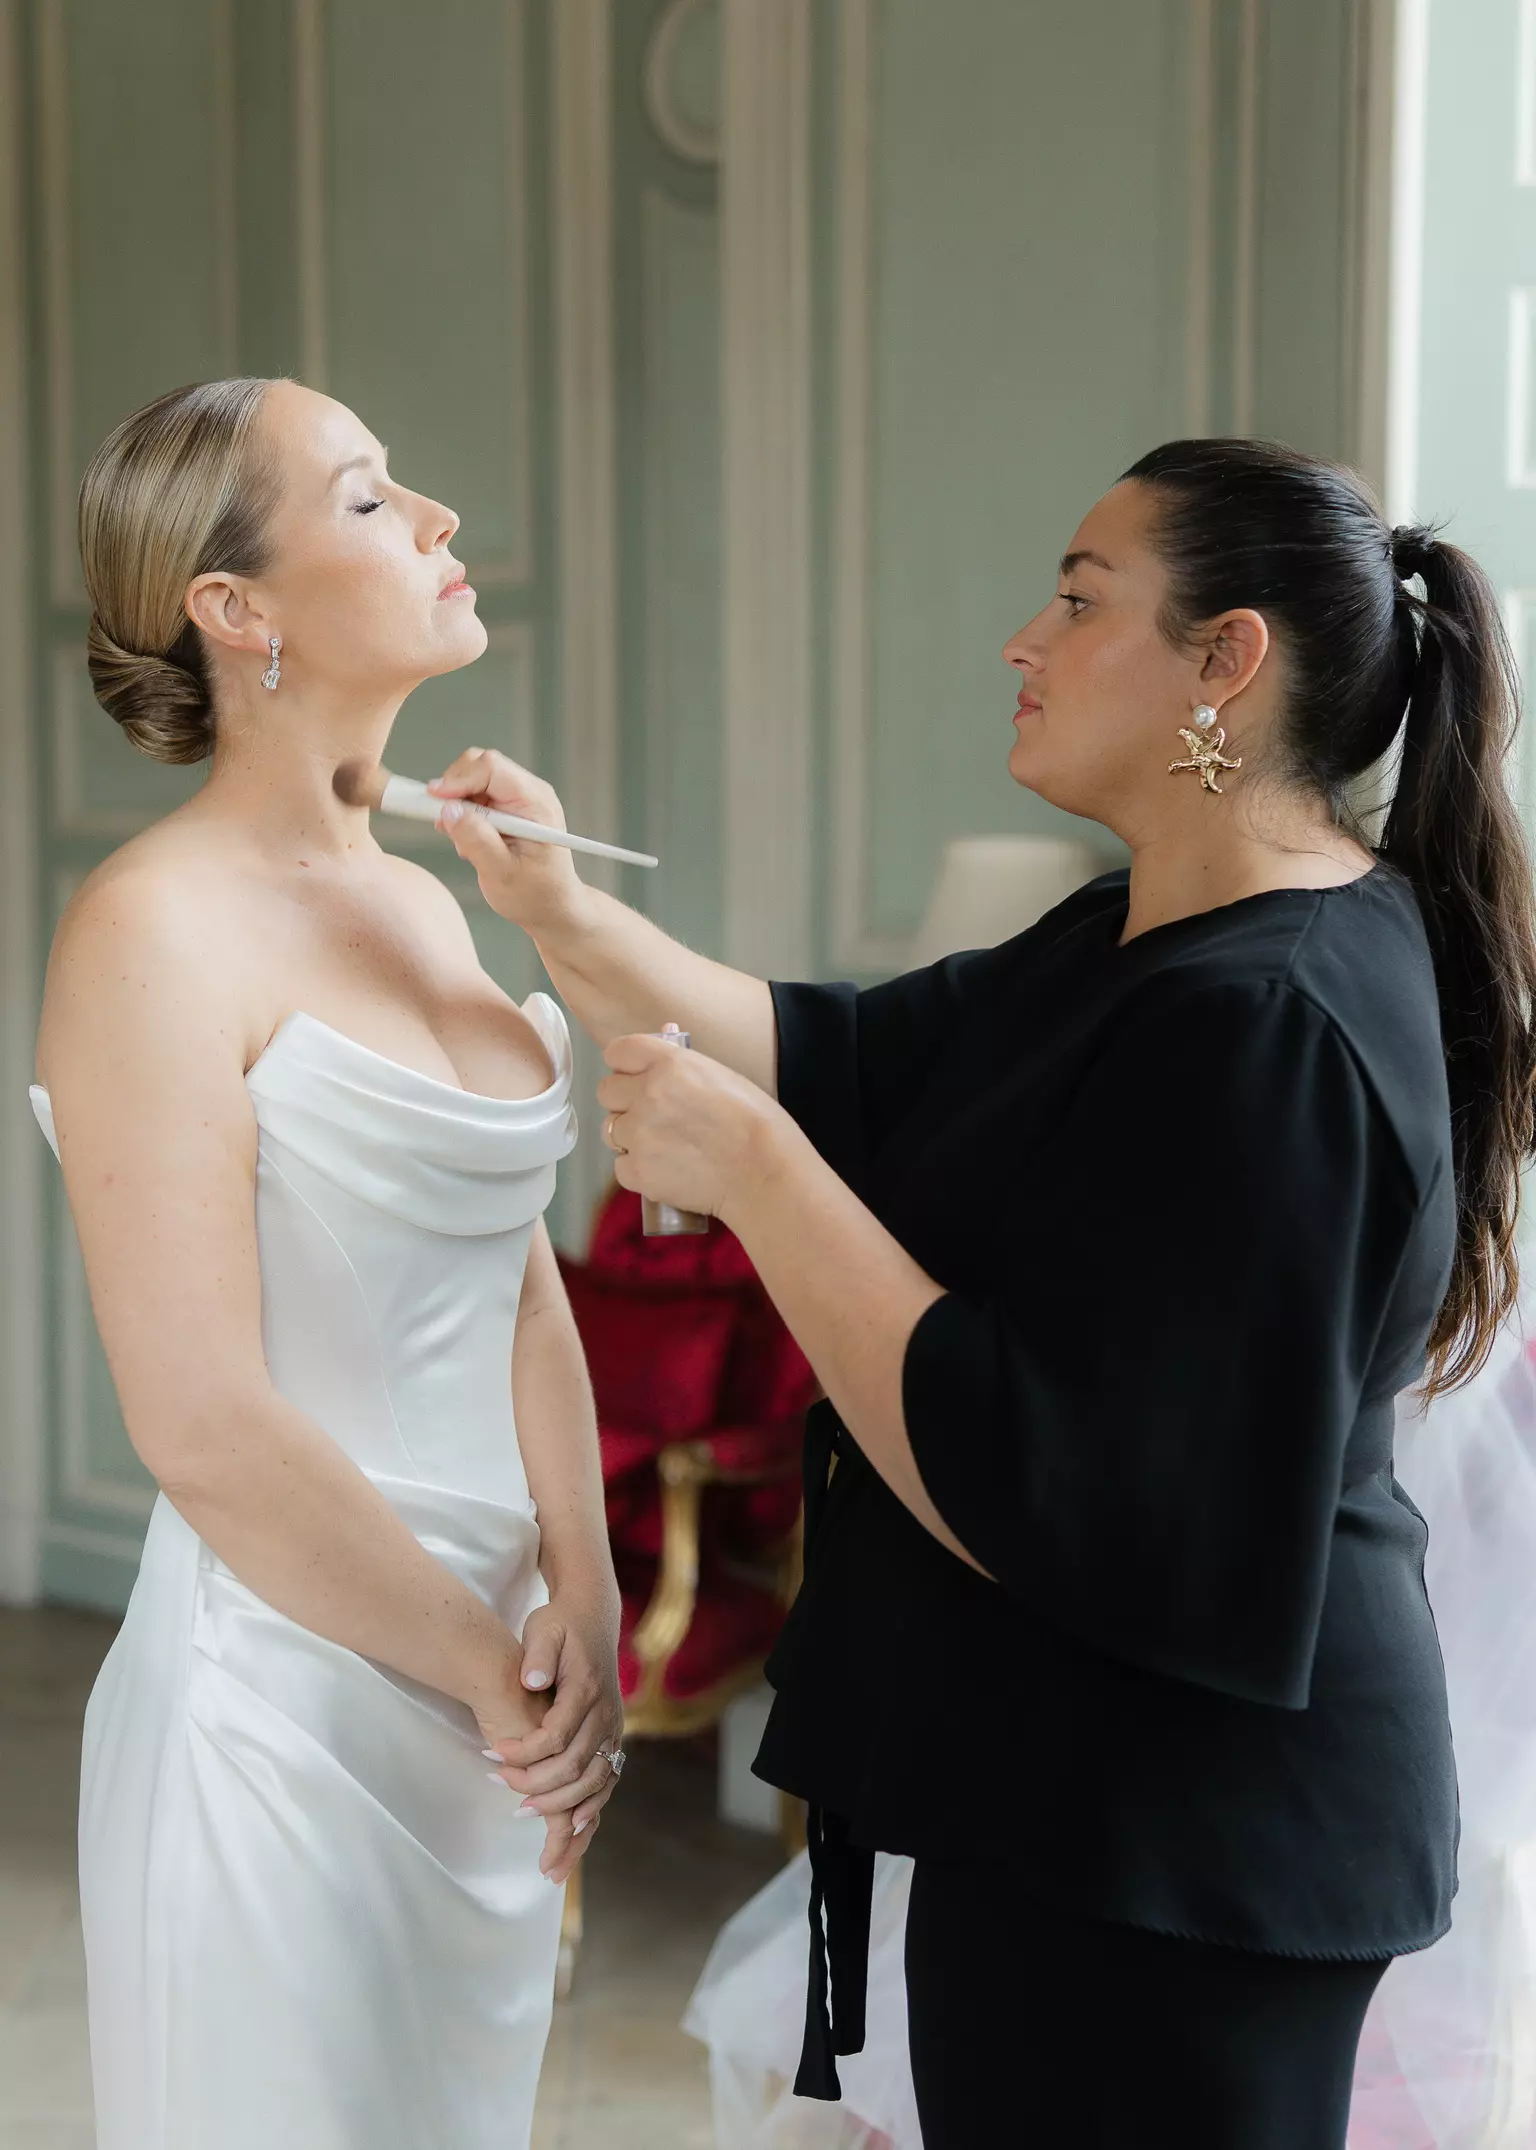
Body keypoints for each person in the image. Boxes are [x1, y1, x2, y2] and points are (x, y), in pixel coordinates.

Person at [427, 437, 1536, 2150]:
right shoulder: (1136, 935)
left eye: (1083, 601)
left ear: (1225, 660)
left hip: (1191, 1862)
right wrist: (558, 908)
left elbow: (1065, 1487)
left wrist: (770, 1186)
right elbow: (837, 1053)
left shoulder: (1278, 1026)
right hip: (1076, 1809)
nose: (1024, 640)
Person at [32, 377, 624, 2150]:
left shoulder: (435, 897)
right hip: (282, 1717)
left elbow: (515, 1280)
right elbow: (202, 1418)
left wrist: (582, 1596)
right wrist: (492, 1670)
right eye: (373, 498)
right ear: (238, 610)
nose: (439, 517)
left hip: (481, 1717)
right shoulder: (147, 926)